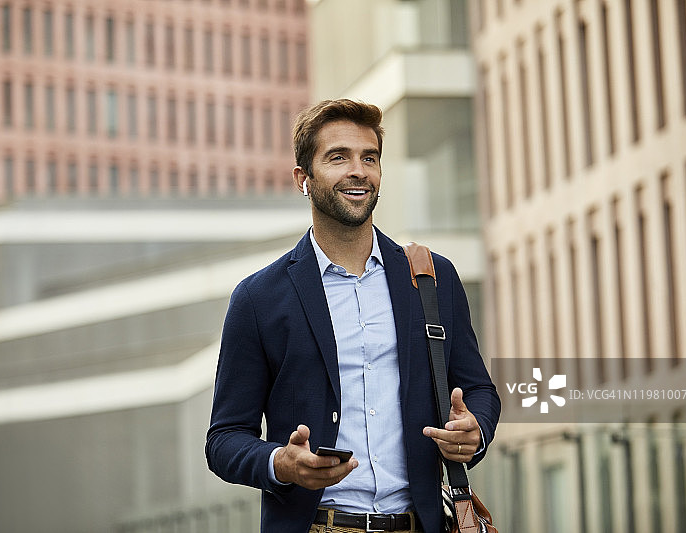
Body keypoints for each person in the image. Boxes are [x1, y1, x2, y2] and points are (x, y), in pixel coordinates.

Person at [206, 99, 500, 533]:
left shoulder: (432, 279)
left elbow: (478, 389)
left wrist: (474, 430)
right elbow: (225, 439)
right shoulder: (259, 298)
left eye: (370, 157)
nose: (358, 170)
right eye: (338, 157)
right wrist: (281, 464)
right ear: (302, 179)